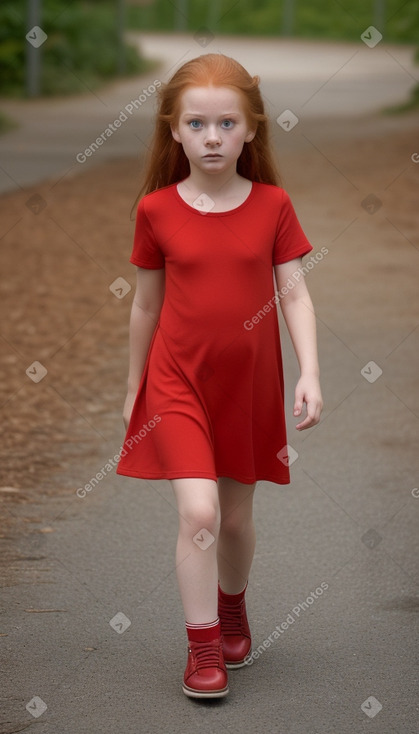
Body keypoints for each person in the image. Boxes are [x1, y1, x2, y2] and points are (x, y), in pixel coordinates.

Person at [116, 53, 323, 699]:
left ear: (251, 130)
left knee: (232, 521)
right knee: (199, 511)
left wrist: (308, 371)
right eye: (197, 124)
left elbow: (292, 294)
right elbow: (145, 304)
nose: (211, 137)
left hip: (248, 388)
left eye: (225, 123)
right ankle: (202, 648)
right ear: (173, 131)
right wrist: (132, 390)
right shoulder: (155, 210)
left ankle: (231, 606)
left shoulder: (272, 206)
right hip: (175, 383)